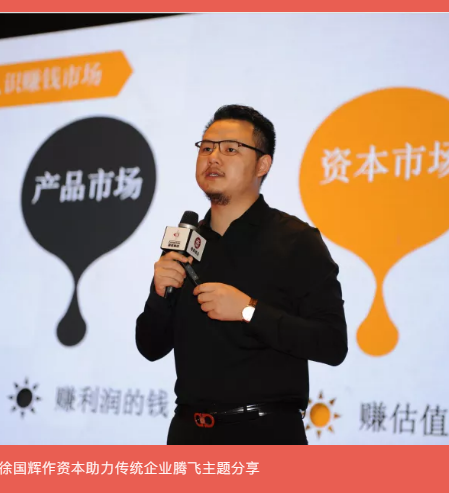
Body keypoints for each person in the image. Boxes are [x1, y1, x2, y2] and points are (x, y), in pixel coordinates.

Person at [135, 105, 347, 445]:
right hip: (188, 432)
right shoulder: (185, 243)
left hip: (265, 433)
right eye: (206, 148)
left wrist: (249, 310)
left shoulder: (296, 240)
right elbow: (150, 346)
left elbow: (332, 344)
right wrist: (159, 295)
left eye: (230, 149)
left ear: (262, 165)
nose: (213, 157)